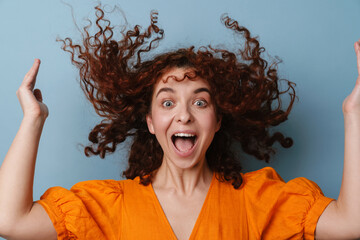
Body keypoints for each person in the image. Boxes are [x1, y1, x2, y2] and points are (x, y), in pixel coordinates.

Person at [0, 6, 360, 240]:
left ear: (217, 121)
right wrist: (33, 119)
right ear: (151, 122)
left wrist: (354, 114)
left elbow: (350, 224)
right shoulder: (110, 205)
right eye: (168, 101)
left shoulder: (257, 200)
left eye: (199, 102)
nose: (184, 114)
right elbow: (10, 224)